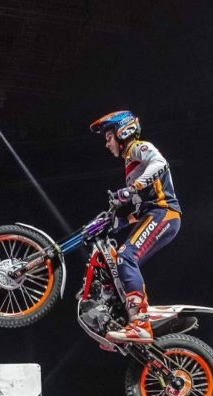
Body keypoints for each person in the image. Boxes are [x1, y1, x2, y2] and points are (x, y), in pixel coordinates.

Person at [89, 110, 182, 343]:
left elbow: (160, 163)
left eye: (108, 137)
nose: (107, 144)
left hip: (164, 212)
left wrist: (131, 189)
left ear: (123, 132)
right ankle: (126, 319)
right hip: (154, 214)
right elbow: (140, 209)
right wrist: (118, 222)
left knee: (125, 257)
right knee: (118, 261)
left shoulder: (139, 148)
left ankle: (140, 323)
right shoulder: (130, 164)